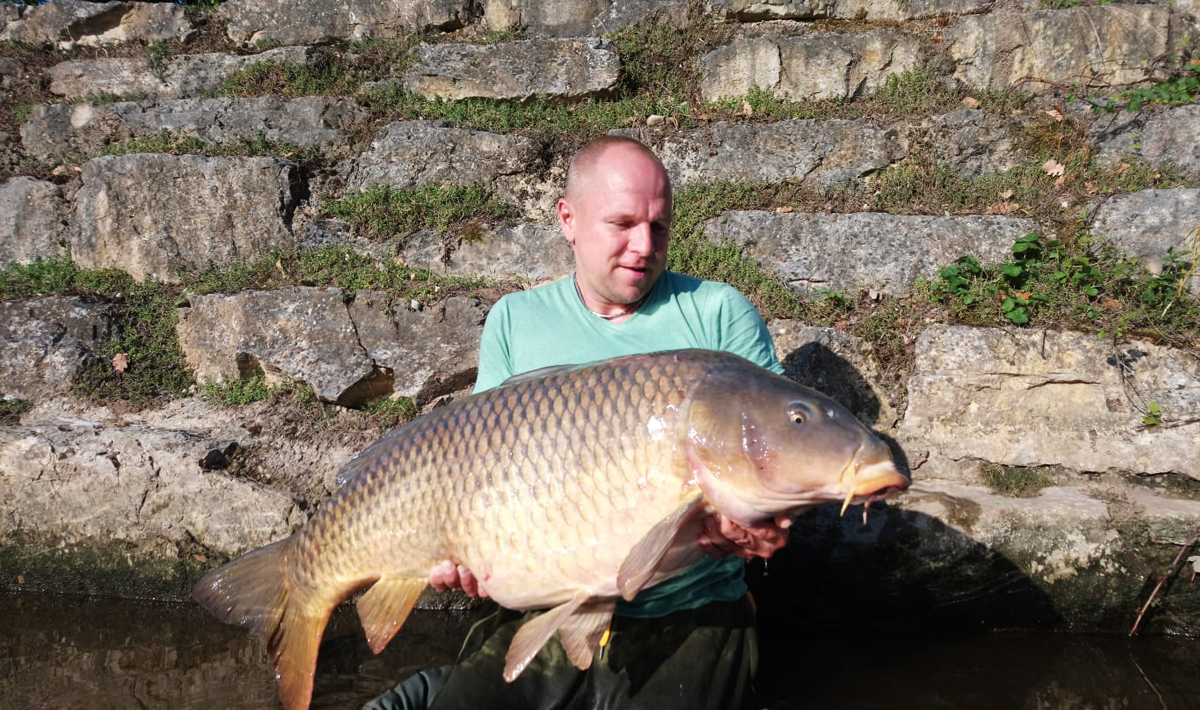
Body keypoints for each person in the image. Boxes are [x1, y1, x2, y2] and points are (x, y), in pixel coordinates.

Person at [365, 135, 790, 710]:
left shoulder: (718, 316)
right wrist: (454, 554)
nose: (644, 246)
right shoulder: (515, 321)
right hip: (548, 607)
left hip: (689, 609)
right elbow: (477, 476)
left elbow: (778, 471)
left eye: (659, 226)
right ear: (569, 219)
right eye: (622, 224)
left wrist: (763, 531)